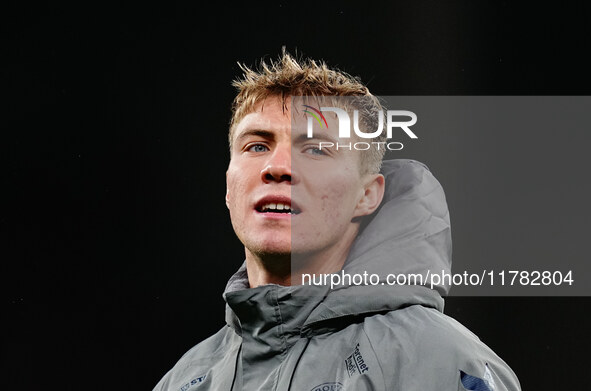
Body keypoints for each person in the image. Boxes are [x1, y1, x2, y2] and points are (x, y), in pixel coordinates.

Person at [153, 50, 521, 391]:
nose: (277, 167)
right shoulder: (183, 380)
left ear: (367, 195)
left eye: (315, 149)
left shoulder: (442, 363)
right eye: (257, 146)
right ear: (230, 187)